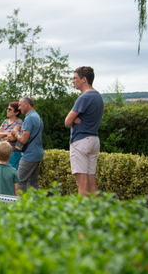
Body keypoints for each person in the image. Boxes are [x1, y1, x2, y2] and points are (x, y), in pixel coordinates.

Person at [64, 66, 104, 197]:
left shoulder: (84, 98)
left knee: (81, 183)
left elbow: (67, 122)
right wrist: (75, 118)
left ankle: (83, 215)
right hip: (94, 140)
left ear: (84, 79)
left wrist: (74, 118)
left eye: (75, 78)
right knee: (91, 181)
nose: (73, 81)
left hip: (81, 141)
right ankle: (97, 214)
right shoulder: (98, 96)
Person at [11, 97, 44, 192]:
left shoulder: (29, 118)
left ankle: (18, 205)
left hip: (29, 155)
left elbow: (24, 140)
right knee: (33, 183)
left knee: (19, 181)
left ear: (27, 104)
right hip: (37, 153)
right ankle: (34, 204)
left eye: (20, 105)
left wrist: (16, 133)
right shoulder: (37, 117)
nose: (19, 108)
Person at [0, 101, 23, 170]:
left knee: (13, 173)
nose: (7, 110)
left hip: (13, 152)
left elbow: (12, 138)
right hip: (3, 152)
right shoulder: (5, 121)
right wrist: (7, 133)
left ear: (16, 112)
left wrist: (2, 136)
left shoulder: (18, 122)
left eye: (10, 109)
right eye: (7, 108)